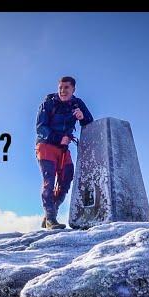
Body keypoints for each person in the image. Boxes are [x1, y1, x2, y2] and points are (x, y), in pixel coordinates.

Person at [35, 76, 94, 229]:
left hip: (63, 149)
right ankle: (51, 219)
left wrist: (83, 117)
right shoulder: (48, 104)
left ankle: (50, 213)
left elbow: (89, 123)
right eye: (60, 87)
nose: (62, 90)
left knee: (67, 178)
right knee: (49, 181)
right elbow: (40, 128)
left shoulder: (77, 103)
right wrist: (58, 138)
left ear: (73, 89)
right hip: (46, 146)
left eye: (66, 87)